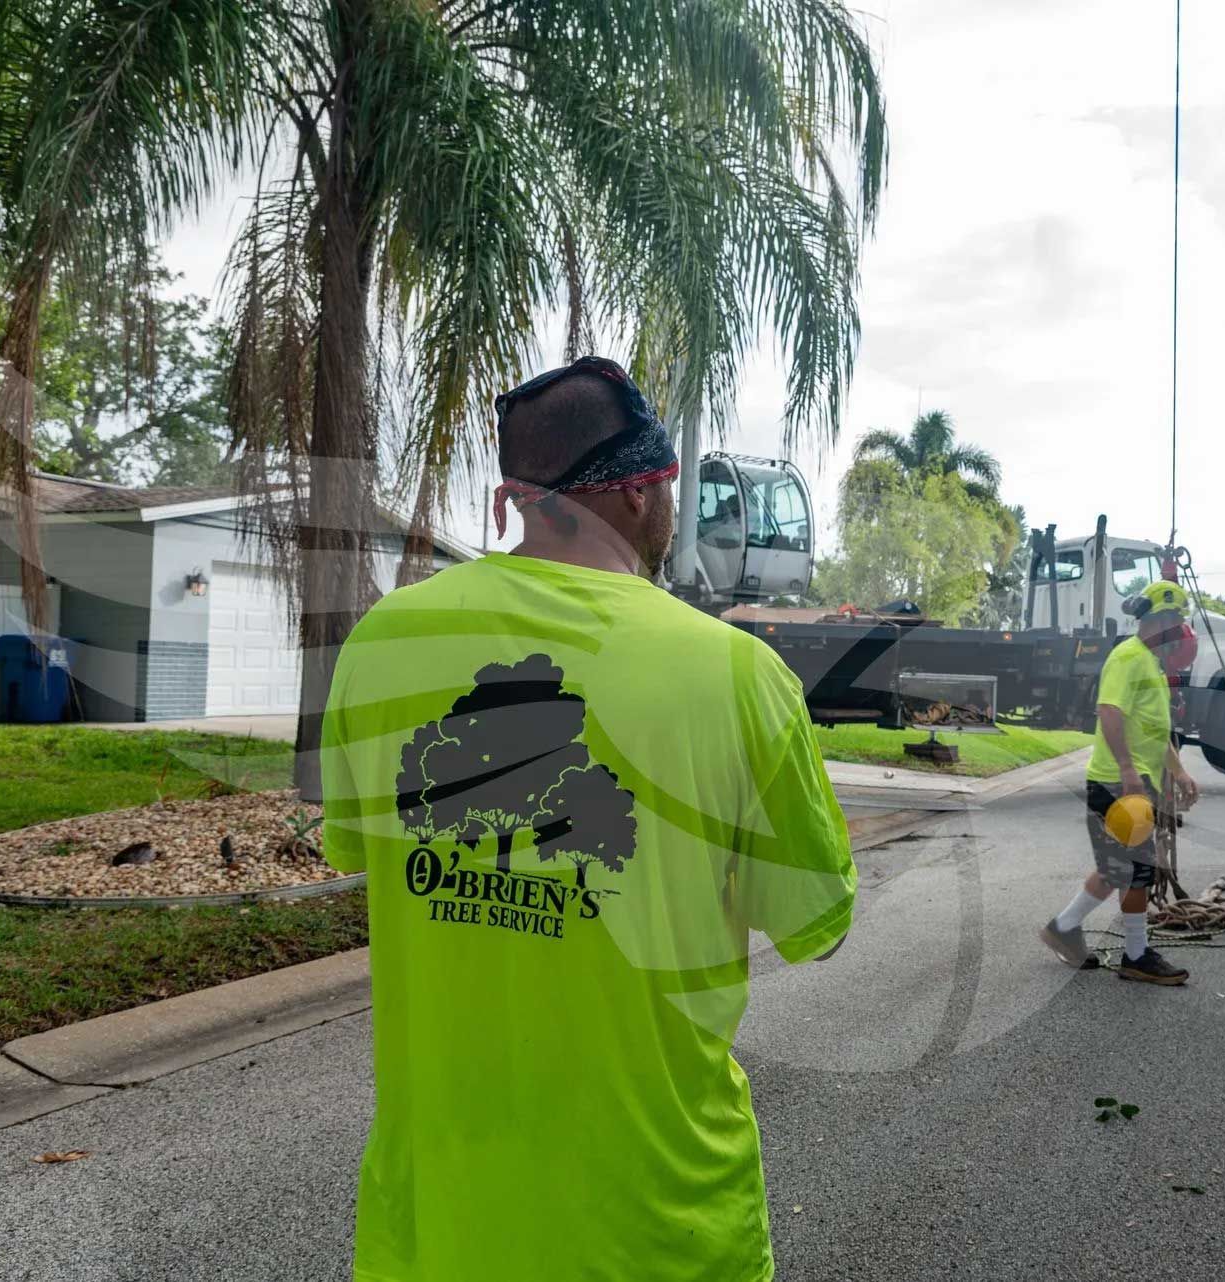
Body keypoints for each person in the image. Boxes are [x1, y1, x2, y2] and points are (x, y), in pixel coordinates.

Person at [319, 356, 857, 1282]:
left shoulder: (385, 643)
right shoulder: (736, 675)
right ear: (644, 489)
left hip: (441, 1232)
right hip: (660, 1226)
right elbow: (812, 918)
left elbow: (373, 855)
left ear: (519, 496)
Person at [1037, 579, 1201, 985]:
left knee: (1116, 869)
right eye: (1177, 620)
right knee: (1135, 869)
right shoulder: (1129, 657)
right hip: (1117, 783)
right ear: (1161, 619)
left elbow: (1154, 729)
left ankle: (1064, 927)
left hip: (1130, 781)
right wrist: (1129, 771)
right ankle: (1135, 954)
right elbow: (1109, 712)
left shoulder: (1150, 664)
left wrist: (1178, 770)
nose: (1180, 630)